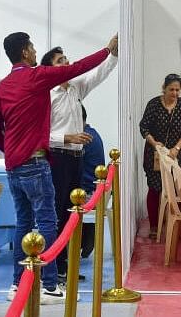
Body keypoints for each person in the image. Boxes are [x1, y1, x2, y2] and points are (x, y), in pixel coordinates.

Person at [0, 31, 117, 304]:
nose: (35, 51)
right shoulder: (38, 77)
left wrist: (11, 149)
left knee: (23, 223)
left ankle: (17, 283)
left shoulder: (1, 88)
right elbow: (79, 67)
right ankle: (48, 285)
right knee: (48, 221)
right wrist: (106, 49)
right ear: (25, 52)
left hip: (14, 167)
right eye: (32, 47)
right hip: (37, 163)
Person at [40, 40, 117, 282]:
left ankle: (65, 266)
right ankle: (53, 269)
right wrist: (68, 137)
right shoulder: (46, 95)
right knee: (57, 214)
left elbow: (99, 74)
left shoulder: (75, 88)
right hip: (58, 158)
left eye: (66, 59)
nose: (67, 64)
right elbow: (41, 135)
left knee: (71, 214)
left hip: (76, 158)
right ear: (50, 69)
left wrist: (113, 53)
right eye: (60, 61)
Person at [139, 74, 181, 239]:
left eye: (177, 90)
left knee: (175, 189)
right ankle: (154, 225)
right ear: (164, 88)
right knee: (155, 189)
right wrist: (155, 144)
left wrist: (176, 148)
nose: (174, 93)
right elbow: (144, 128)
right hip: (154, 153)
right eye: (171, 89)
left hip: (175, 153)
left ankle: (174, 224)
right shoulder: (154, 104)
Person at [79, 104, 105, 259]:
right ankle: (87, 237)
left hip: (88, 193)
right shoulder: (93, 133)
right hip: (94, 190)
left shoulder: (83, 139)